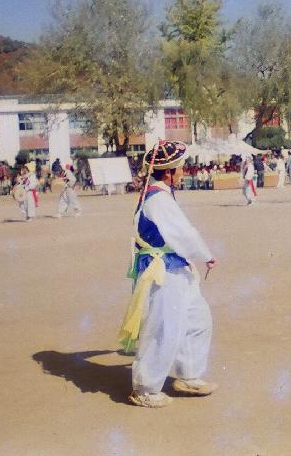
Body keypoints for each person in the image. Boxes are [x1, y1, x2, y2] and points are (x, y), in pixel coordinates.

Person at [117, 141, 218, 408]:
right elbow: (183, 233)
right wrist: (205, 254)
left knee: (198, 319)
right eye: (181, 168)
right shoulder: (158, 198)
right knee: (163, 326)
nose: (184, 172)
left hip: (175, 266)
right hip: (163, 269)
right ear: (169, 172)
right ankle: (145, 388)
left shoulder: (161, 194)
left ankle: (189, 374)